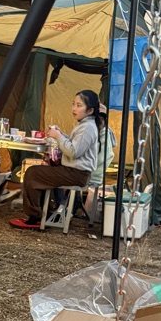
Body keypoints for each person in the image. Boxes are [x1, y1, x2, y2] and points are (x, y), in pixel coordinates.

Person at [10, 89, 102, 230]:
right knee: (40, 171)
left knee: (32, 173)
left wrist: (58, 136)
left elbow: (73, 152)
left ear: (90, 110)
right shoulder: (84, 125)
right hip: (73, 171)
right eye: (73, 104)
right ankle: (46, 213)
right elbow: (73, 143)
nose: (74, 108)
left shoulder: (88, 127)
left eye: (79, 105)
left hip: (76, 174)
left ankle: (35, 216)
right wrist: (61, 134)